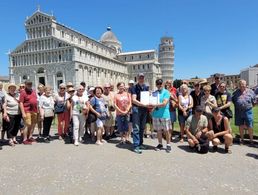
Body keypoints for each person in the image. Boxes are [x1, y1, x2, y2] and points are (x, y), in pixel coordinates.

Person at [232, 80, 256, 145]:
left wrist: (248, 106)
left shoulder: (251, 92)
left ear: (246, 84)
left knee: (250, 126)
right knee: (241, 126)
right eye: (240, 84)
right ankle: (242, 140)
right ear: (239, 85)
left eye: (243, 84)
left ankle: (251, 140)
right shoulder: (235, 93)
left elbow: (254, 102)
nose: (242, 85)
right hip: (239, 112)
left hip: (248, 111)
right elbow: (234, 101)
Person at [151, 79, 172, 153]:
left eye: (160, 84)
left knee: (166, 130)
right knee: (159, 130)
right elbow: (151, 102)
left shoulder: (166, 92)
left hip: (164, 114)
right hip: (156, 114)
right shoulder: (154, 93)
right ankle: (160, 144)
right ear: (156, 85)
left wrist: (154, 105)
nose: (159, 85)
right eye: (158, 84)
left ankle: (168, 144)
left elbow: (164, 103)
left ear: (163, 84)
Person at [131, 73, 149, 154]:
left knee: (142, 128)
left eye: (142, 77)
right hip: (137, 109)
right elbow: (133, 100)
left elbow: (148, 97)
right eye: (140, 77)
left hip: (144, 109)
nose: (141, 79)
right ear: (137, 78)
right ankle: (136, 146)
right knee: (136, 128)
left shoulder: (146, 87)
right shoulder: (134, 87)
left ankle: (140, 143)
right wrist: (142, 104)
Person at [19, 80, 38, 144]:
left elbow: (36, 100)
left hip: (34, 110)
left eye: (30, 84)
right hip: (27, 110)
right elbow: (21, 103)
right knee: (27, 125)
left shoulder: (33, 91)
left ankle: (30, 137)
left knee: (33, 125)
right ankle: (25, 139)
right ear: (25, 85)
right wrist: (23, 112)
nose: (29, 85)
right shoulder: (23, 92)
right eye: (28, 84)